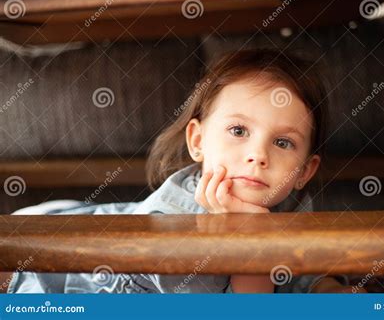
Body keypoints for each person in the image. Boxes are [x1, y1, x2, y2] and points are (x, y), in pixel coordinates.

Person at [7, 49, 363, 293]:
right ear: (198, 141)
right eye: (238, 131)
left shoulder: (292, 202)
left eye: (283, 143)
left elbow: (292, 268)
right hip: (61, 269)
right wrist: (253, 234)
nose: (258, 155)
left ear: (304, 170)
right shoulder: (179, 223)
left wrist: (324, 287)